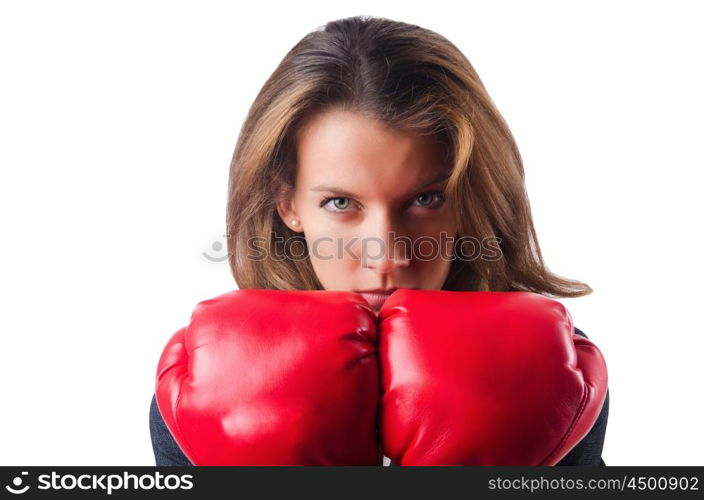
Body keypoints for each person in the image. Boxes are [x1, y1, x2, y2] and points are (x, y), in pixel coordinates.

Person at [150, 14, 609, 466]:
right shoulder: (211, 374)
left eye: (426, 198)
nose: (387, 254)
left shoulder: (546, 368)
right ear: (286, 203)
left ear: (471, 197)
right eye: (340, 203)